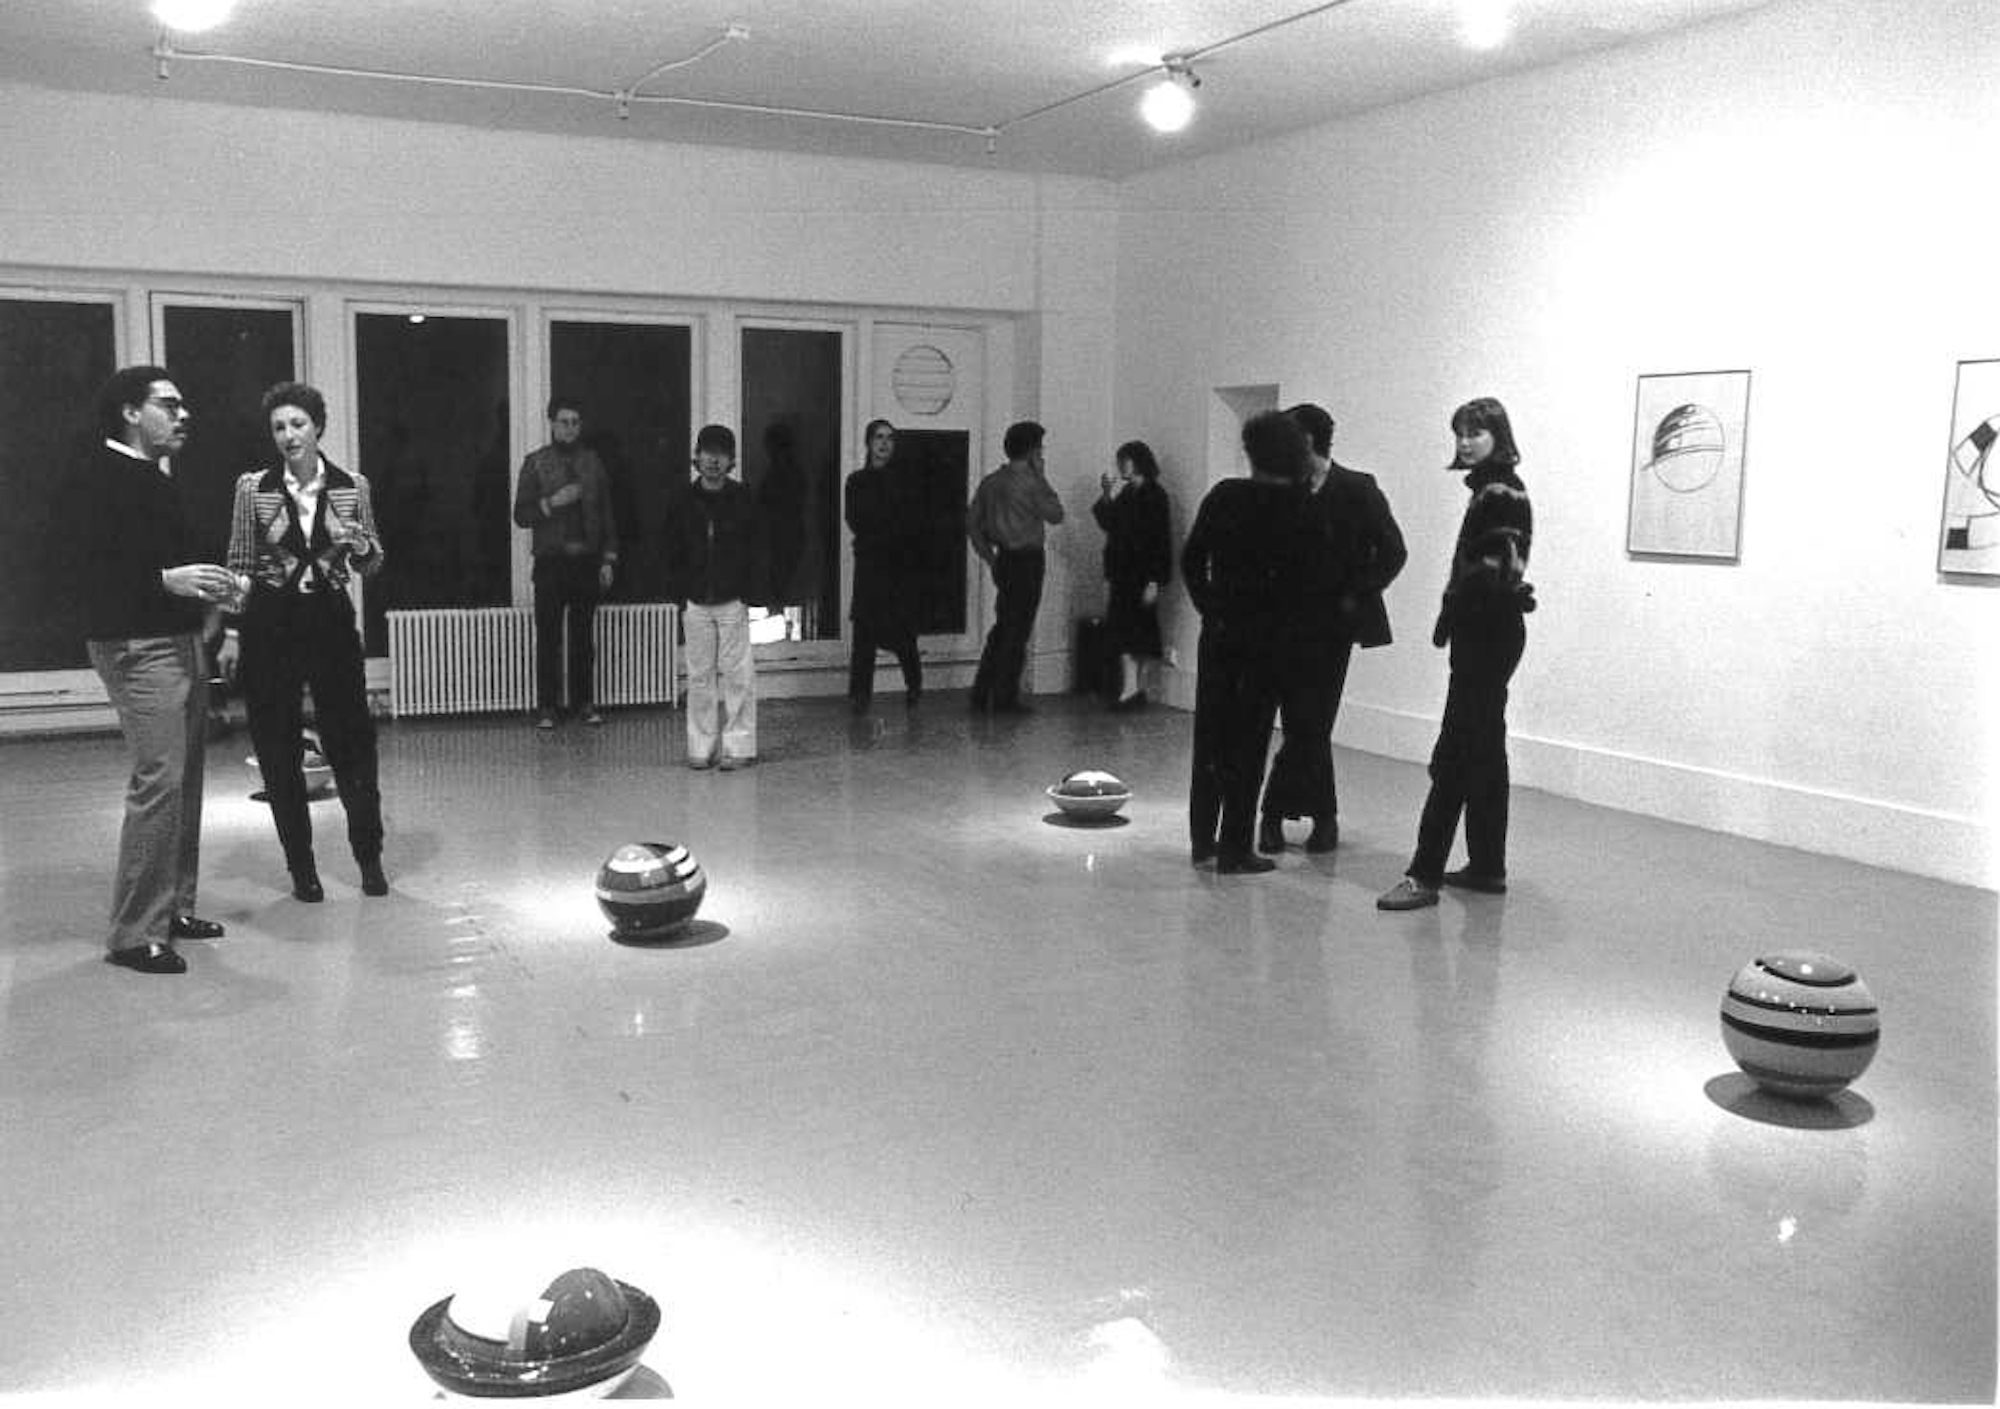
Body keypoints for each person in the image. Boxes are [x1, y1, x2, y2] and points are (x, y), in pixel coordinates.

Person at [59, 366, 235, 973]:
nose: (184, 415)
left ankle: (172, 907)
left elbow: (166, 561)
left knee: (183, 782)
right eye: (170, 405)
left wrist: (213, 594)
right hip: (137, 647)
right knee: (159, 781)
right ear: (131, 412)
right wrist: (166, 580)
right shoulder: (95, 476)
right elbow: (80, 575)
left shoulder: (155, 481)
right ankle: (134, 934)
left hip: (177, 640)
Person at [216, 381, 388, 904]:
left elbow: (371, 561)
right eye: (278, 427)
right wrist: (229, 630)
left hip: (332, 624)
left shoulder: (351, 485)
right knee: (277, 746)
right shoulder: (254, 488)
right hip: (271, 625)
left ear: (317, 427)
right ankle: (302, 870)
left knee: (352, 742)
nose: (288, 435)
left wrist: (360, 546)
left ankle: (369, 858)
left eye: (297, 424)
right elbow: (240, 562)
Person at [1379, 396, 1536, 910]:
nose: (1465, 442)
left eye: (1476, 432)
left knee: (1455, 754)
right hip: (1489, 632)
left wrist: (1461, 611)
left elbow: (1492, 574)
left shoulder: (1500, 493)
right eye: (1460, 433)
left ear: (1498, 436)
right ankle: (1488, 866)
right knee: (1486, 754)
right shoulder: (1493, 490)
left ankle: (1423, 875)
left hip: (1487, 635)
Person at [1259, 403, 1408, 853]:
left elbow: (1393, 550)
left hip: (1333, 627)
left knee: (1313, 722)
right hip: (1285, 623)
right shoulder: (1284, 490)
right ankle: (1320, 817)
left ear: (1308, 440)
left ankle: (1275, 814)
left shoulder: (1357, 488)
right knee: (1302, 723)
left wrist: (1357, 591)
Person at [1181, 410, 1320, 874]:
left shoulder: (1225, 496)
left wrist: (1210, 606)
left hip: (1221, 633)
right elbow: (1309, 581)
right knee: (1249, 739)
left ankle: (1203, 839)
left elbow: (1191, 559)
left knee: (1211, 737)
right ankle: (1236, 846)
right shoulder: (1300, 508)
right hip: (1270, 640)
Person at [513, 394, 618, 729]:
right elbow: (520, 515)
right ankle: (547, 706)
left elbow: (607, 514)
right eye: (563, 421)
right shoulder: (535, 463)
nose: (569, 428)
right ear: (552, 423)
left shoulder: (593, 462)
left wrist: (608, 559)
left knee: (583, 637)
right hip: (550, 562)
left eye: (575, 422)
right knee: (548, 637)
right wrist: (552, 502)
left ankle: (584, 703)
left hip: (586, 561)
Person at [664, 424, 763, 769]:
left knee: (738, 675)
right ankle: (701, 746)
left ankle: (739, 747)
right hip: (695, 600)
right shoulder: (681, 500)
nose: (713, 461)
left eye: (721, 454)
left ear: (731, 461)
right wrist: (680, 591)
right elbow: (671, 550)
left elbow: (755, 548)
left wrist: (750, 591)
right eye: (707, 453)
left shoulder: (744, 498)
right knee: (699, 675)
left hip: (733, 599)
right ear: (696, 456)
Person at [966, 420, 1064, 714]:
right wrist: (1042, 477)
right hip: (1029, 561)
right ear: (1033, 450)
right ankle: (1005, 696)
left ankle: (982, 691)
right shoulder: (1032, 483)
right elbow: (1056, 514)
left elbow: (972, 524)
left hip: (1004, 560)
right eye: (1040, 448)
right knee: (1018, 630)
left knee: (1002, 626)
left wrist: (990, 558)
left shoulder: (991, 482)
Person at [844, 419, 923, 713]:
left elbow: (910, 521)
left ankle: (914, 685)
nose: (884, 443)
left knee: (902, 631)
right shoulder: (856, 481)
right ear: (868, 442)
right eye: (879, 437)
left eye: (890, 438)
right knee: (864, 630)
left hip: (899, 565)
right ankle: (860, 695)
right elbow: (856, 519)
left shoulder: (905, 480)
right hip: (870, 564)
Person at [1091, 440, 1173, 711]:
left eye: (1123, 461)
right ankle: (1131, 688)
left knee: (1142, 632)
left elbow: (1160, 540)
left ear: (1137, 462)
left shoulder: (1155, 495)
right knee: (1124, 630)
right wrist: (1106, 492)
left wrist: (1154, 580)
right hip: (1123, 574)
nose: (1120, 467)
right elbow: (1110, 521)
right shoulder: (1128, 493)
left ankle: (1137, 688)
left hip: (1141, 574)